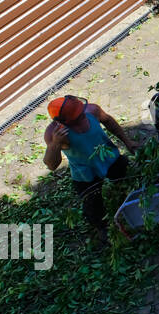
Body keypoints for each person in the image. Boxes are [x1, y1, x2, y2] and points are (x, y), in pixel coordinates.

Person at [43, 95, 138, 234]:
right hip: (85, 174)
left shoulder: (92, 110)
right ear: (65, 122)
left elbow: (109, 121)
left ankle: (135, 210)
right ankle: (105, 231)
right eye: (78, 117)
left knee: (130, 185)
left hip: (111, 159)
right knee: (94, 209)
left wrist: (128, 142)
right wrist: (55, 144)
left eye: (82, 112)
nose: (83, 116)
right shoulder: (53, 133)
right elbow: (51, 165)